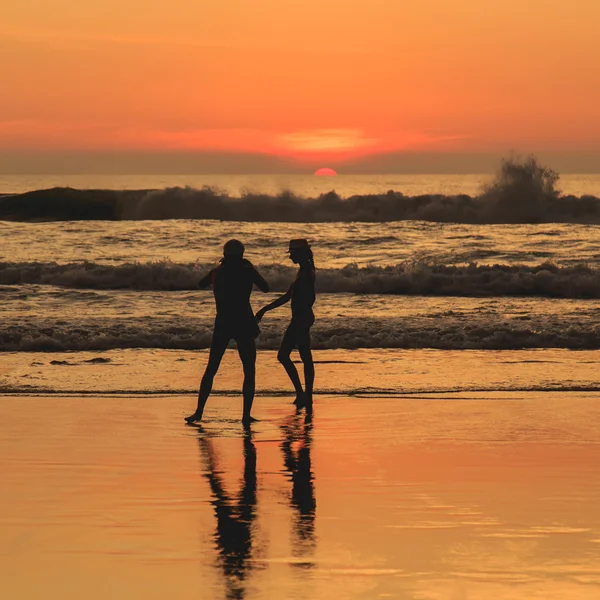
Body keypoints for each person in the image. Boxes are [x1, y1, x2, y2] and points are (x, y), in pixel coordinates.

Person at [185, 239, 269, 425]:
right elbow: (266, 288)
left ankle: (199, 412)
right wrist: (249, 267)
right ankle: (246, 415)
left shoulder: (217, 273)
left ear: (224, 255)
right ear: (242, 255)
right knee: (249, 370)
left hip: (223, 322)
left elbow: (200, 284)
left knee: (212, 368)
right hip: (243, 322)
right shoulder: (247, 271)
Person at [256, 239, 315, 411]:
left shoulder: (306, 273)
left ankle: (305, 396)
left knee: (292, 356)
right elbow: (288, 296)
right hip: (300, 318)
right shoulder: (304, 271)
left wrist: (302, 319)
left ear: (300, 254)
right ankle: (303, 395)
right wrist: (265, 309)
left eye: (292, 254)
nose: (290, 258)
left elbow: (308, 298)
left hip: (300, 319)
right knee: (298, 357)